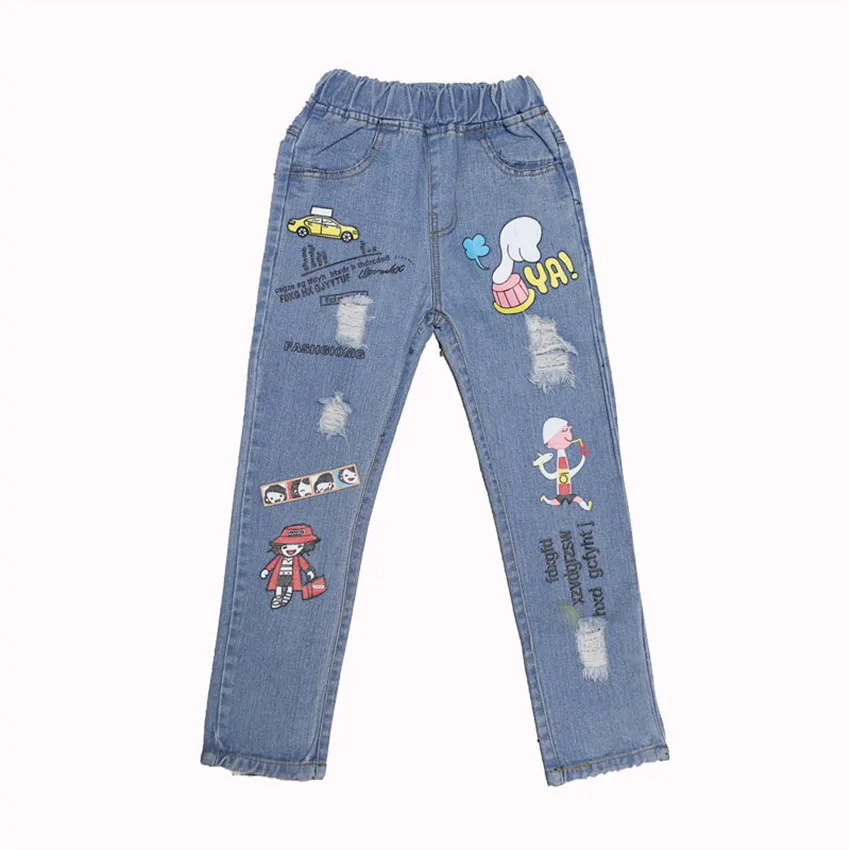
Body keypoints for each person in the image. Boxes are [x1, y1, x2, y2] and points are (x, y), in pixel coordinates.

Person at [535, 417, 592, 510]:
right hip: (562, 491)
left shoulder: (563, 470)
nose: (570, 434)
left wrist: (583, 457)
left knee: (575, 499)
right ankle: (545, 499)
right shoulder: (561, 469)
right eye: (565, 430)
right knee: (565, 500)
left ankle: (587, 507)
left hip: (566, 490)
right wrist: (541, 467)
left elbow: (551, 475)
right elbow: (551, 476)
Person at [260, 524, 322, 609]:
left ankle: (287, 597)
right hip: (280, 575)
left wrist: (309, 571)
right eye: (285, 547)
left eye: (299, 546)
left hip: (291, 577)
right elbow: (272, 564)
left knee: (290, 587)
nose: (291, 550)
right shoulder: (279, 558)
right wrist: (266, 570)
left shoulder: (298, 558)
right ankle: (277, 598)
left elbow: (304, 565)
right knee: (278, 586)